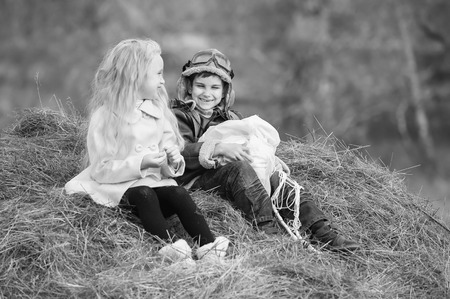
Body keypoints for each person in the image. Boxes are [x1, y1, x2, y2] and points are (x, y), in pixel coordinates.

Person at [171, 48, 360, 252]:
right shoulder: (179, 116)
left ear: (225, 92)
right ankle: (267, 231)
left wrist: (268, 158)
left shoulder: (232, 118)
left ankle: (321, 230)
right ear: (189, 87)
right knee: (240, 169)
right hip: (199, 179)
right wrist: (218, 148)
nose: (207, 93)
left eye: (215, 88)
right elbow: (178, 152)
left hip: (236, 175)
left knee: (279, 179)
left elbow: (249, 143)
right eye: (200, 86)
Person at [64, 39, 229, 263]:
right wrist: (141, 163)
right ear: (135, 77)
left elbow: (171, 166)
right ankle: (171, 250)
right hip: (121, 188)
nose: (163, 81)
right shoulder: (105, 117)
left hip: (157, 183)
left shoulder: (158, 112)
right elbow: (101, 169)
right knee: (145, 194)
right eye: (158, 74)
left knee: (179, 193)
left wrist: (172, 160)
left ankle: (208, 247)